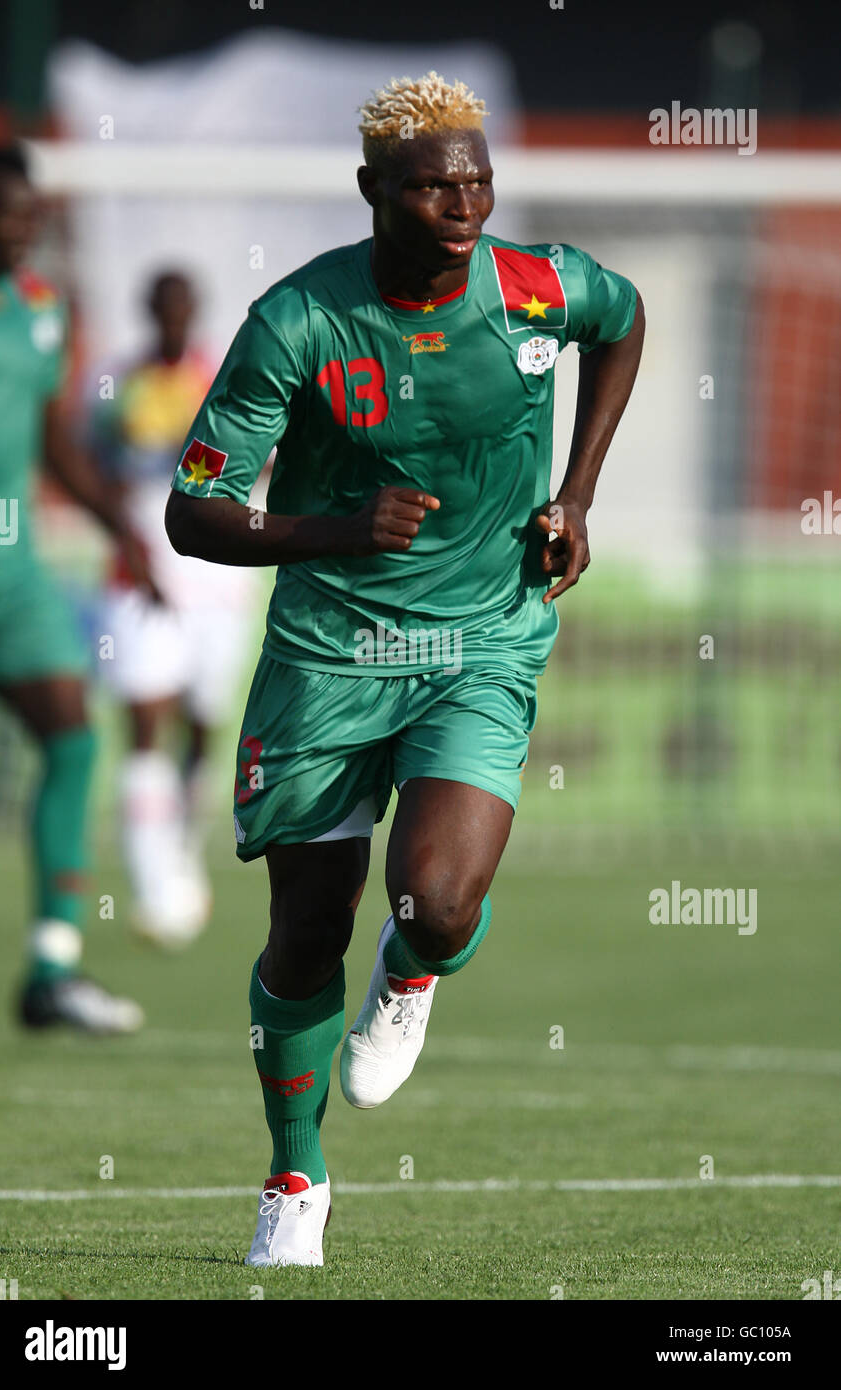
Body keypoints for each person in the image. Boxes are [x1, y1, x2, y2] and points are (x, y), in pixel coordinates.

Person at [165, 72, 645, 1266]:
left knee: (433, 902)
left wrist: (575, 495)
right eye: (435, 182)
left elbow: (624, 318)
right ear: (374, 189)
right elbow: (193, 510)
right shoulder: (297, 321)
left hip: (480, 638)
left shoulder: (536, 286)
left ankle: (415, 969)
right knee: (301, 933)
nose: (465, 200)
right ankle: (294, 1174)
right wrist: (334, 527)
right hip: (330, 653)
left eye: (477, 176)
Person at [0, 144, 147, 1034]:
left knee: (74, 741)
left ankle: (53, 968)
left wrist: (124, 529)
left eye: (30, 217)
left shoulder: (43, 310)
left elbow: (54, 443)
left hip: (6, 577)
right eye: (6, 214)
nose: (22, 230)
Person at [92, 271, 256, 947]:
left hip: (215, 580)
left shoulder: (223, 381)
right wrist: (123, 538)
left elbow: (262, 459)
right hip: (140, 576)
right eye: (162, 307)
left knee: (204, 726)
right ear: (149, 311)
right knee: (143, 719)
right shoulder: (117, 385)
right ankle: (156, 886)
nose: (173, 318)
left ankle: (184, 849)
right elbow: (92, 468)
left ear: (194, 312)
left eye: (183, 307)